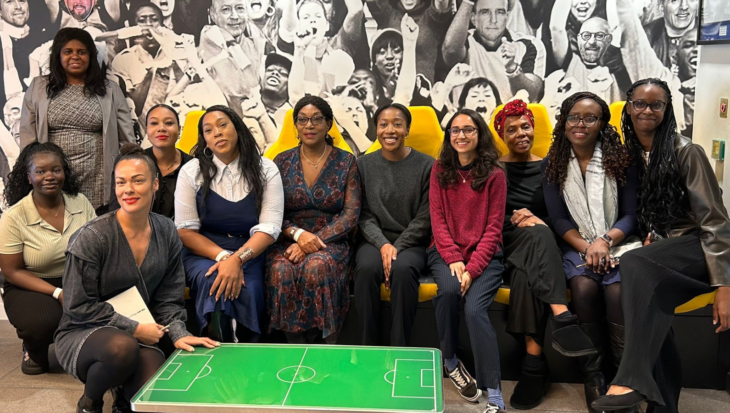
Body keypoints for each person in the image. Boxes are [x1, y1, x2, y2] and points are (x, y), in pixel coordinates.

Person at [592, 79, 730, 413]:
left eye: (656, 105)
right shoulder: (628, 155)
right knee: (652, 314)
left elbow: (715, 221)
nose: (647, 111)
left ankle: (631, 379)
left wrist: (724, 286)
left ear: (667, 109)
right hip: (667, 251)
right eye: (640, 103)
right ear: (628, 106)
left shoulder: (687, 151)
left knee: (635, 264)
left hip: (698, 249)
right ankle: (664, 407)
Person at [55, 144, 219, 413]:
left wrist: (178, 334)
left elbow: (169, 296)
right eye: (121, 182)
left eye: (137, 180)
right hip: (84, 330)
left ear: (155, 185)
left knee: (147, 386)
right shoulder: (91, 237)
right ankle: (91, 402)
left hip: (141, 330)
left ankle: (122, 399)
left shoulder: (166, 230)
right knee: (122, 347)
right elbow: (77, 307)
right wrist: (133, 328)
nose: (127, 189)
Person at [493, 100, 596, 409]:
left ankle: (533, 368)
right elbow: (485, 215)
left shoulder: (550, 165)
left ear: (533, 128)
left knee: (526, 276)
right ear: (501, 135)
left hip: (544, 242)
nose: (520, 134)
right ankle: (562, 317)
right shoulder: (495, 167)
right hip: (507, 240)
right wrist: (517, 218)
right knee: (534, 236)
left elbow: (564, 214)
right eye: (511, 130)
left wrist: (540, 221)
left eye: (525, 126)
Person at [542, 91, 641, 413]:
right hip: (576, 244)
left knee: (615, 292)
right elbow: (557, 218)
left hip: (618, 242)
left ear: (602, 124)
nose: (581, 124)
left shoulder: (622, 159)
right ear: (564, 121)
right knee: (583, 286)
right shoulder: (553, 163)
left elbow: (630, 214)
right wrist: (587, 246)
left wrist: (604, 242)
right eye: (574, 117)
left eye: (590, 118)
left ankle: (622, 376)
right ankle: (593, 375)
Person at [175, 105, 284, 343]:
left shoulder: (266, 169)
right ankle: (215, 352)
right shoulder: (191, 171)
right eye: (208, 130)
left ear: (238, 128)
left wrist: (237, 259)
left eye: (223, 125)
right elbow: (185, 231)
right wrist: (225, 258)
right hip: (203, 251)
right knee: (213, 281)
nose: (217, 133)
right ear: (204, 139)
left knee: (250, 288)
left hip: (251, 250)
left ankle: (248, 356)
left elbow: (269, 228)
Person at [267, 96, 361, 344]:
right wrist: (297, 237)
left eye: (316, 119)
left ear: (328, 124)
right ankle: (293, 349)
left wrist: (311, 241)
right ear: (296, 126)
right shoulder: (281, 162)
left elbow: (351, 215)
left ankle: (326, 346)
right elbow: (273, 212)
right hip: (288, 239)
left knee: (316, 266)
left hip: (332, 241)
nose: (309, 125)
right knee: (280, 269)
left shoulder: (346, 161)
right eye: (303, 120)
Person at [429, 109, 506, 412]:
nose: (461, 136)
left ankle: (495, 392)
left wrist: (472, 269)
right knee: (448, 291)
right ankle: (449, 360)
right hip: (445, 253)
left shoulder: (495, 175)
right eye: (455, 130)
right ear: (449, 136)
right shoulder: (439, 170)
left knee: (475, 310)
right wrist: (452, 258)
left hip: (485, 257)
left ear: (479, 134)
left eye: (468, 130)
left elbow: (493, 229)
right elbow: (437, 219)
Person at [0, 142, 95, 375]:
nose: (49, 176)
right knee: (43, 323)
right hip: (30, 284)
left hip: (76, 278)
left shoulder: (80, 202)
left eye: (56, 170)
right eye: (40, 171)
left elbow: (96, 246)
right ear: (29, 176)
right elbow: (12, 271)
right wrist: (58, 293)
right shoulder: (14, 217)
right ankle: (34, 349)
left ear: (65, 172)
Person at [20, 27, 135, 213]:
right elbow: (28, 138)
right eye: (68, 52)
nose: (75, 56)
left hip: (97, 180)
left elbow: (127, 138)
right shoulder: (39, 87)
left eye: (82, 52)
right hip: (52, 179)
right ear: (58, 55)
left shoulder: (110, 89)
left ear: (91, 56)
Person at [354, 103, 432, 346]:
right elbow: (363, 214)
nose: (390, 130)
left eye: (397, 124)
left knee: (403, 269)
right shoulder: (362, 165)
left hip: (412, 242)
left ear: (407, 129)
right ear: (376, 129)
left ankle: (400, 348)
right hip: (374, 240)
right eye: (383, 124)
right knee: (366, 269)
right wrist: (383, 244)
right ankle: (368, 348)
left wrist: (397, 246)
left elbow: (425, 217)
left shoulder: (427, 165)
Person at [442, 0, 546, 102]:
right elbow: (451, 51)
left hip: (510, 118)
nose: (493, 20)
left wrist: (512, 69)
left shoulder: (529, 45)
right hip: (470, 118)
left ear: (507, 16)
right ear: (473, 18)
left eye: (500, 12)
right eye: (485, 12)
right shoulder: (463, 41)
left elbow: (531, 95)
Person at [108, 104, 192, 218]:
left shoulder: (193, 166)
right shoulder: (130, 161)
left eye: (168, 123)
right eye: (154, 123)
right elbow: (116, 210)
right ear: (146, 130)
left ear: (179, 130)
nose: (161, 128)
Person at [366, 0, 453, 82]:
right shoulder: (387, 15)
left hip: (422, 91)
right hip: (391, 91)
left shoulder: (432, 19)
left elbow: (441, 4)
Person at [643, 0, 699, 71]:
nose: (684, 7)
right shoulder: (644, 37)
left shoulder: (710, 33)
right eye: (674, 0)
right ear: (661, 6)